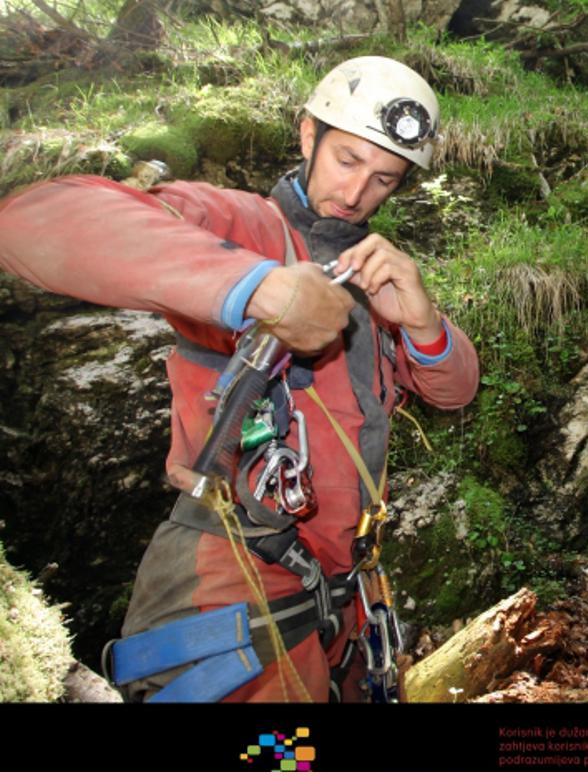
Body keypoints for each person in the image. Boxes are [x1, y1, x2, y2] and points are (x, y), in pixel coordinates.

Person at [0, 56, 479, 701]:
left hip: (342, 592)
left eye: (384, 178)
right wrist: (256, 287)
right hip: (237, 576)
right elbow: (32, 222)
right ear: (307, 134)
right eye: (346, 160)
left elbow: (455, 390)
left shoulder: (370, 270)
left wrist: (421, 320)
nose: (358, 192)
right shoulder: (240, 225)